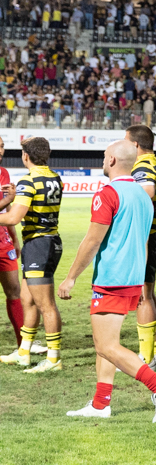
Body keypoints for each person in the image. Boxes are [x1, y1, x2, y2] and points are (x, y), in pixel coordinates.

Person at [58, 139, 156, 421]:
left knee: (106, 346)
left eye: (103, 156)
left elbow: (92, 241)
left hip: (112, 277)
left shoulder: (108, 193)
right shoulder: (143, 195)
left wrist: (70, 278)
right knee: (106, 342)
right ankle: (101, 404)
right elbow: (144, 241)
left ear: (112, 160)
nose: (102, 160)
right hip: (133, 277)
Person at [0, 137, 65, 371]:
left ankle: (53, 358)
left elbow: (13, 218)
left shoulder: (29, 180)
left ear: (25, 156)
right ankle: (24, 352)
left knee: (45, 304)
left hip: (40, 244)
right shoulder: (54, 178)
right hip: (42, 243)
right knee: (27, 300)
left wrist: (19, 196)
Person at [127, 125, 156, 368]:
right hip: (153, 234)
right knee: (148, 295)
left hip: (144, 236)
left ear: (135, 145)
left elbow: (147, 190)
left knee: (142, 297)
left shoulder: (143, 165)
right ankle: (155, 352)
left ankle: (146, 357)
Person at [0, 138, 24, 348]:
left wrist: (14, 238)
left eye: (1, 145)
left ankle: (22, 346)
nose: (0, 150)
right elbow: (6, 203)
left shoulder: (4, 173)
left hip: (3, 242)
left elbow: (7, 211)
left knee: (14, 291)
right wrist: (8, 201)